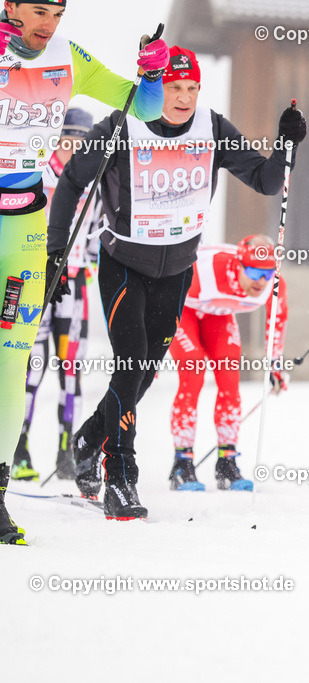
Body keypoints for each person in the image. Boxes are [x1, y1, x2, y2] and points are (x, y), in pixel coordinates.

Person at [47, 46, 306, 520]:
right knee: (129, 366)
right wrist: (54, 252)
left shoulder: (213, 128)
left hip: (176, 271)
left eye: (191, 88)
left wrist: (287, 147)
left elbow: (266, 181)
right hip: (124, 262)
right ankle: (120, 477)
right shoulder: (122, 126)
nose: (183, 98)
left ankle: (87, 439)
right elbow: (70, 183)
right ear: (154, 88)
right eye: (172, 87)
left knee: (144, 374)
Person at [0, 0, 169, 545]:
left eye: (57, 12)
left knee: (10, 364)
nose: (48, 23)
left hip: (24, 229)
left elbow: (144, 109)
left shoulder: (69, 59)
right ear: (10, 7)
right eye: (37, 11)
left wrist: (152, 71)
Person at [13, 108, 101, 482]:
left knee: (71, 369)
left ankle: (67, 450)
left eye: (80, 142)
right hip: (35, 282)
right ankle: (17, 449)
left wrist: (86, 273)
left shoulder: (93, 183)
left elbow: (98, 237)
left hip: (73, 284)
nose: (73, 147)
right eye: (67, 139)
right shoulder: (37, 175)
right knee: (29, 370)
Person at [168, 234, 288, 492]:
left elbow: (277, 319)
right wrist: (149, 346)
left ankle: (227, 461)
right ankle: (182, 462)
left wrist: (274, 364)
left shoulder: (273, 284)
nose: (261, 281)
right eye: (255, 272)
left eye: (267, 274)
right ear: (239, 265)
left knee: (230, 378)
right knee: (194, 369)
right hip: (181, 308)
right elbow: (160, 292)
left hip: (218, 315)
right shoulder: (207, 269)